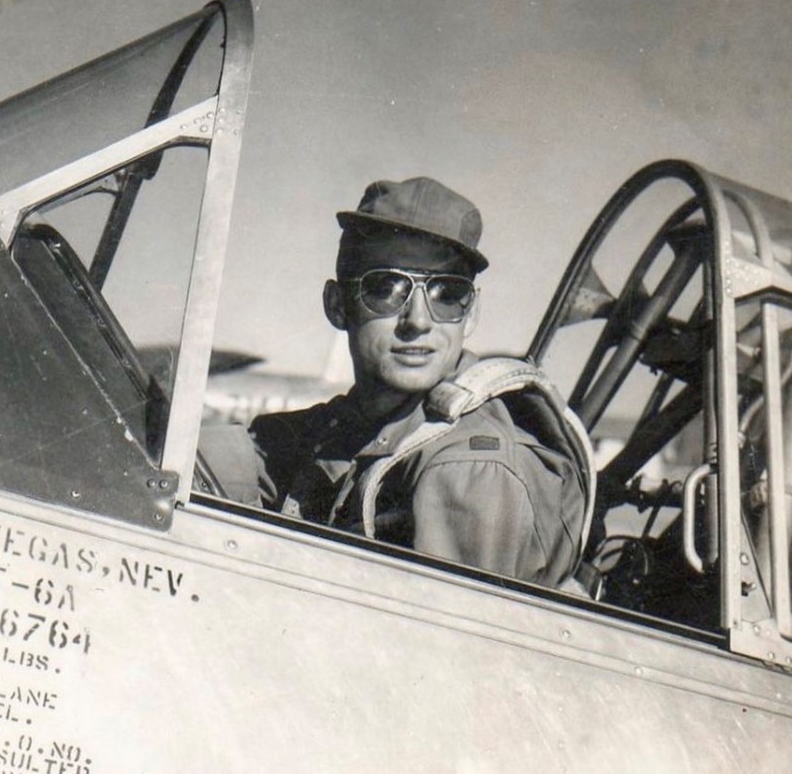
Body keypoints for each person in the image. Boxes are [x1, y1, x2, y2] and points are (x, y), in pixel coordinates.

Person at [248, 176, 590, 588]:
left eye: (447, 293)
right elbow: (263, 448)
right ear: (338, 305)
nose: (419, 321)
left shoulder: (467, 469)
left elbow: (443, 646)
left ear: (472, 312)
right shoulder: (369, 417)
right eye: (386, 288)